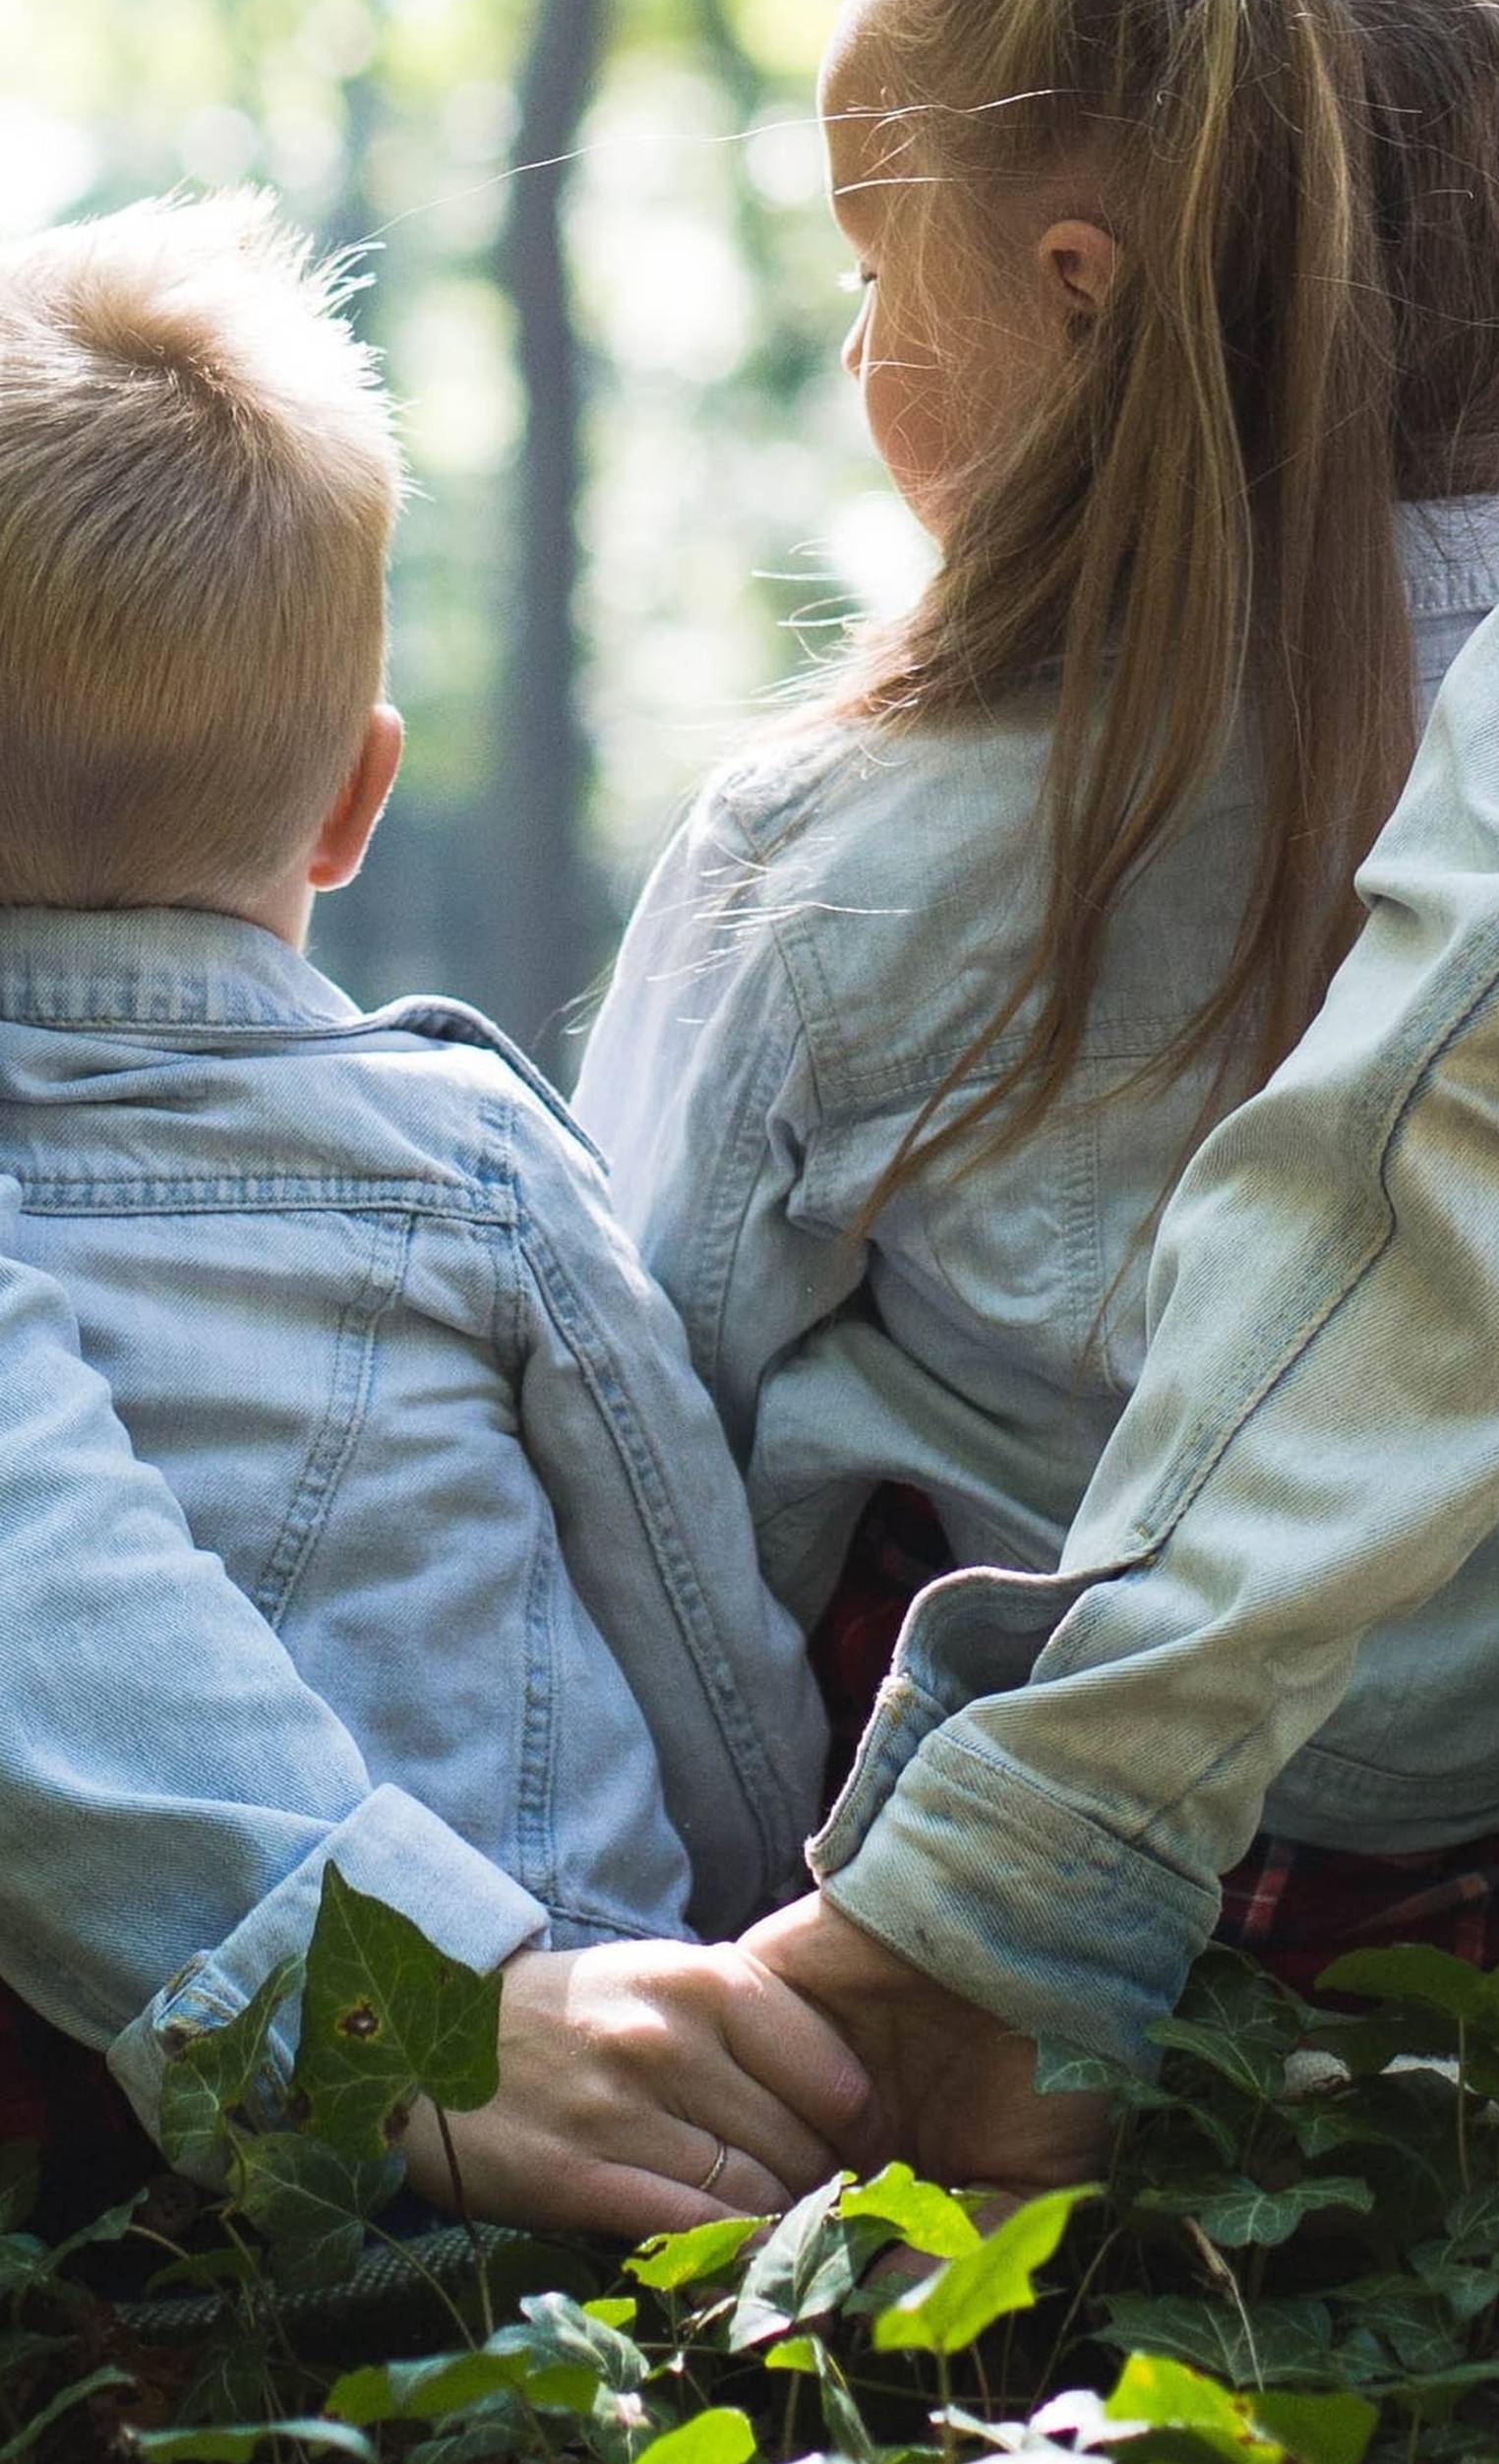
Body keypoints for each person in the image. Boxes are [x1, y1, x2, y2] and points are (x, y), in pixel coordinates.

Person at [579, 0, 1499, 2026]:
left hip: (955, 1959)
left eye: (880, 269)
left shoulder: (833, 861)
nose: (864, 348)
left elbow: (636, 1442)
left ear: (1077, 298)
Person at [0, 194, 867, 2224]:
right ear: (356, 794)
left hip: (109, 2155)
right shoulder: (459, 1154)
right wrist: (761, 1913)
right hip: (527, 2099)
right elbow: (689, 1608)